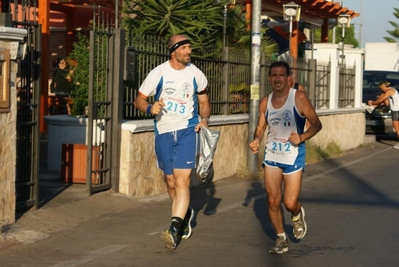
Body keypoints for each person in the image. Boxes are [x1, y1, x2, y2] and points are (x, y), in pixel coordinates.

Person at [133, 34, 211, 250]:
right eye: (184, 47)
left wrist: (204, 119)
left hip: (188, 130)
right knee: (170, 182)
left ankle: (174, 228)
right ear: (173, 50)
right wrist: (149, 108)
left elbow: (204, 102)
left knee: (183, 180)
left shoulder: (196, 74)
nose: (189, 51)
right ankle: (184, 213)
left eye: (190, 47)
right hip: (163, 133)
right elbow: (139, 99)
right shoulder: (157, 73)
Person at [248, 61, 322, 254]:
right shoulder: (265, 101)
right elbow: (260, 128)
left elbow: (316, 124)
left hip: (293, 155)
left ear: (288, 79)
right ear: (269, 78)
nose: (278, 79)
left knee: (289, 203)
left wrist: (302, 136)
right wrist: (256, 139)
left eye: (281, 75)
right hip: (272, 154)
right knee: (273, 200)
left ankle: (297, 215)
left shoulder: (299, 98)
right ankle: (281, 238)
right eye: (274, 75)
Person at [368, 81, 399, 149]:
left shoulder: (390, 91)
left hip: (396, 110)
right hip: (393, 108)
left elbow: (380, 100)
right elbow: (382, 101)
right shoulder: (389, 90)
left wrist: (373, 102)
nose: (381, 89)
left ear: (384, 86)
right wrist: (375, 104)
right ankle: (372, 108)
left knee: (396, 126)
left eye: (381, 87)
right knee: (382, 95)